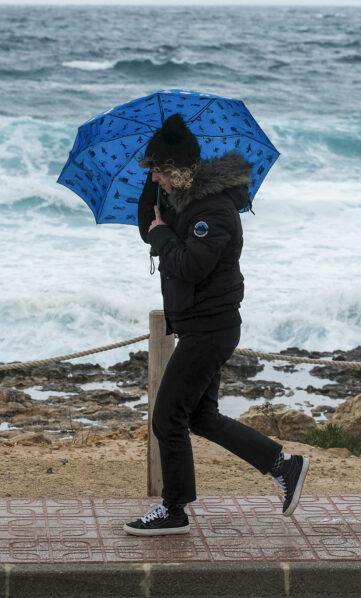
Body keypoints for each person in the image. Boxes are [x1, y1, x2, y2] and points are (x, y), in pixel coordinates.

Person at [123, 113, 309, 537]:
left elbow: (191, 264)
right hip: (199, 326)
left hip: (211, 329)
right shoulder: (180, 199)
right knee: (201, 417)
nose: (155, 178)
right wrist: (153, 190)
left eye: (158, 170)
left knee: (168, 416)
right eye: (153, 172)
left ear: (179, 170)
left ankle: (174, 510)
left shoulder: (212, 209)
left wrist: (163, 235)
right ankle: (284, 465)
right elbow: (147, 229)